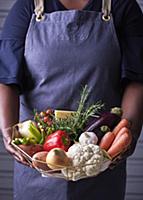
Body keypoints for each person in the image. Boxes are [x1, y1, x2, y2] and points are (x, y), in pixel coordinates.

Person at [0, 0, 143, 199]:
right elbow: (6, 77)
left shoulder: (122, 6)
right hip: (37, 161)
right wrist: (9, 132)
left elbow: (137, 78)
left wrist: (128, 133)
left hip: (100, 159)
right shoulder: (27, 7)